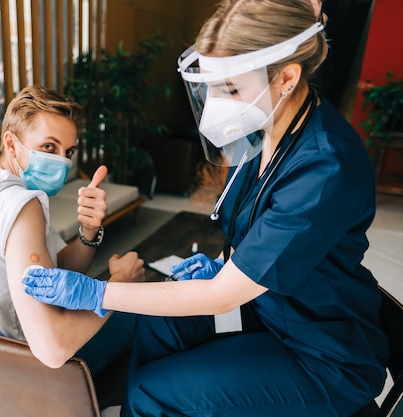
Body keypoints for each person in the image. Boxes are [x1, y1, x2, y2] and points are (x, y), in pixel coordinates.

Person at [22, 1, 389, 415]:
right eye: (211, 85)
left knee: (151, 391)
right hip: (273, 312)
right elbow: (253, 234)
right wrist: (225, 262)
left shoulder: (325, 167)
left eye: (230, 89)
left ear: (286, 77)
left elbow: (221, 296)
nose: (216, 103)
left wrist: (97, 290)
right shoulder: (265, 129)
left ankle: (143, 406)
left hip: (323, 356)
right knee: (157, 324)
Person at [0, 85, 145, 375]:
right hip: (19, 373)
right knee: (139, 313)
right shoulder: (23, 204)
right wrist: (120, 283)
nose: (61, 161)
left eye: (68, 151)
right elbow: (53, 348)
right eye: (49, 147)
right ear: (11, 143)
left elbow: (61, 267)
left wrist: (88, 229)